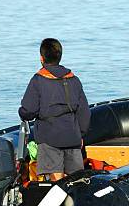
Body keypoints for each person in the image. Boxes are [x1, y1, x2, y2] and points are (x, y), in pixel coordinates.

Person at [19, 38, 91, 181]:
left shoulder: (38, 80)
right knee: (76, 180)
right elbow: (84, 112)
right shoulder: (74, 80)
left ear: (41, 58)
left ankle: (59, 202)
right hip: (72, 137)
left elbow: (28, 110)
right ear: (60, 56)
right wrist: (80, 134)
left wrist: (22, 113)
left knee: (56, 181)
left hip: (49, 138)